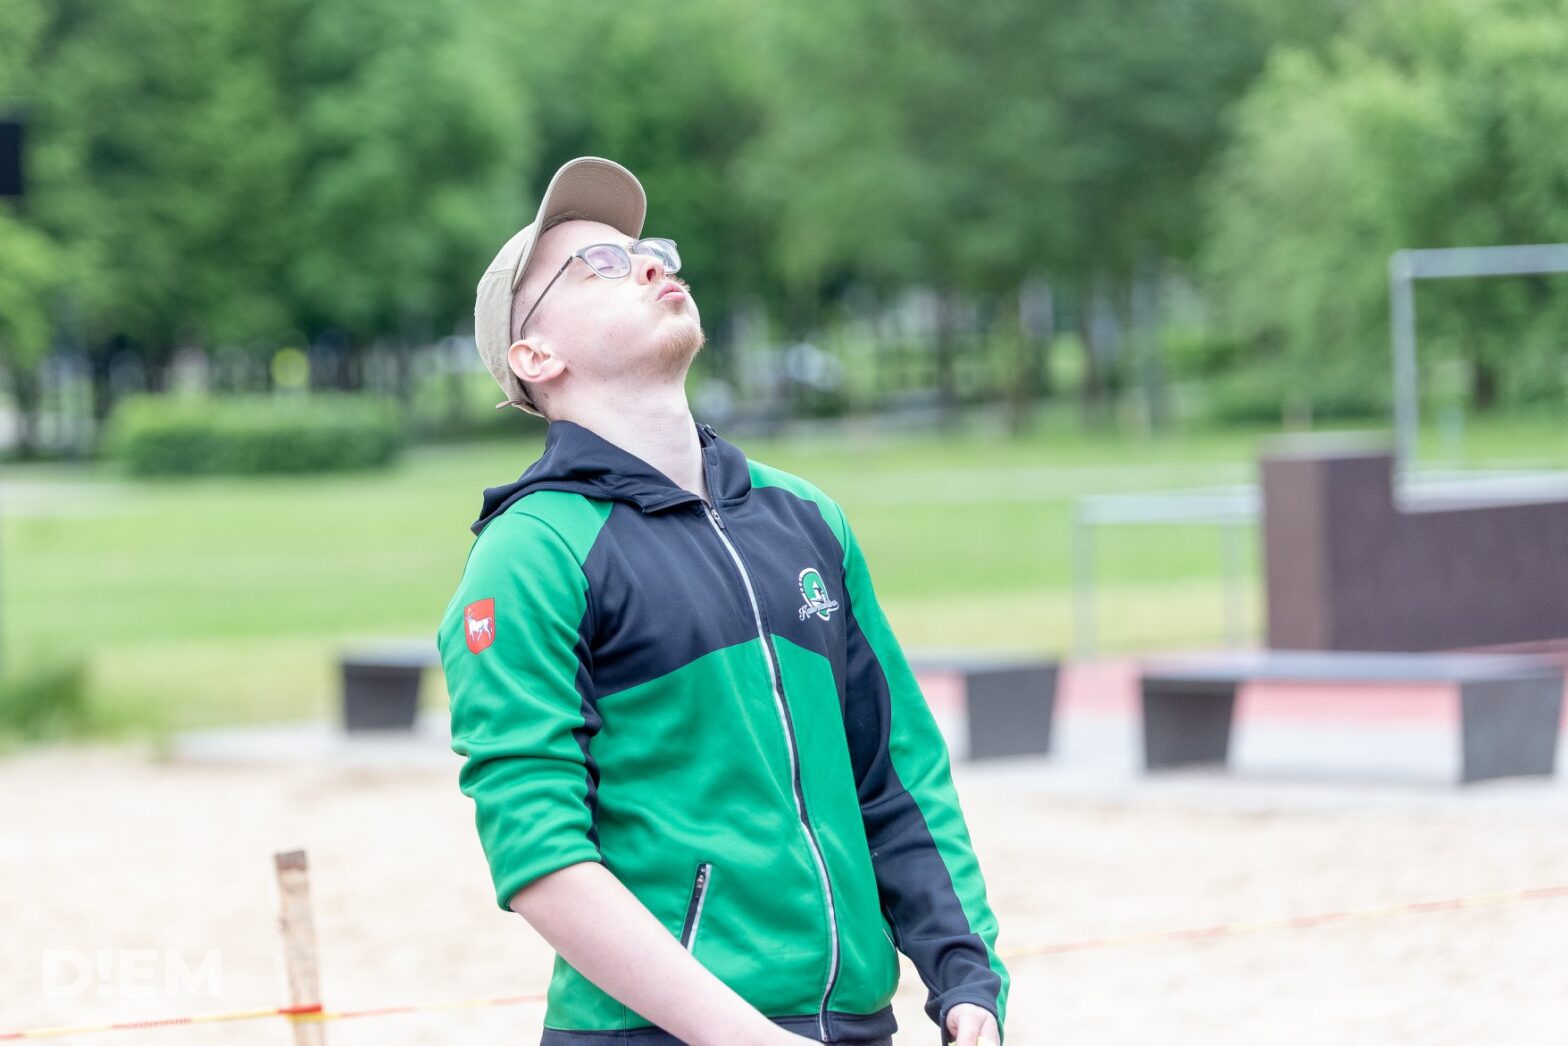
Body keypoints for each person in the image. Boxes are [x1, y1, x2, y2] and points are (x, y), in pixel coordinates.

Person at [438, 156, 1008, 1046]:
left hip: (857, 1024)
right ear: (535, 357)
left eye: (650, 250)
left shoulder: (806, 515)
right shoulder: (530, 554)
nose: (650, 265)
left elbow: (895, 773)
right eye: (599, 264)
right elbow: (542, 862)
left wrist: (964, 971)